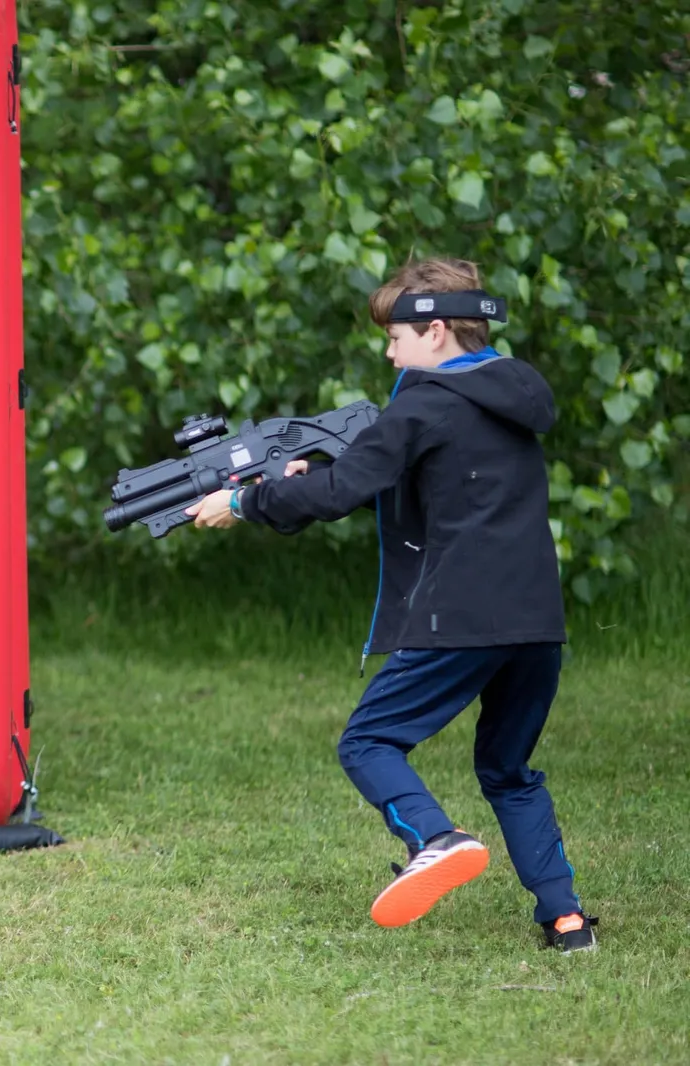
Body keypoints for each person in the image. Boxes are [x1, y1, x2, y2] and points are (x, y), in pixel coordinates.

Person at [185, 256, 596, 952]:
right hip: (535, 621)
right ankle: (566, 919)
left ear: (434, 333)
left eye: (395, 337)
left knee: (368, 741)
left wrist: (244, 499)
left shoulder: (425, 402)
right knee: (507, 768)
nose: (388, 351)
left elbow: (342, 492)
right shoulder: (511, 394)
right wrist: (307, 477)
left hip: (462, 615)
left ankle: (435, 838)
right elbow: (376, 476)